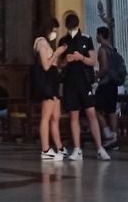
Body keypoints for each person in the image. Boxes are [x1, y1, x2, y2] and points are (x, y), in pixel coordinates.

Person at [61, 11, 110, 161]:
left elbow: (93, 61)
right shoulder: (63, 41)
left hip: (84, 80)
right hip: (70, 82)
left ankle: (100, 148)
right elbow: (59, 63)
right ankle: (77, 149)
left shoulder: (86, 39)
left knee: (91, 113)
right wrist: (66, 61)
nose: (71, 29)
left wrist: (80, 57)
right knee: (73, 116)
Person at [32, 18, 65, 161]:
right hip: (46, 81)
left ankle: (59, 147)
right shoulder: (41, 42)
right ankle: (45, 149)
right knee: (46, 116)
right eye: (54, 30)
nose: (55, 33)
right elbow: (45, 65)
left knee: (55, 116)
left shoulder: (47, 43)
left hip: (53, 80)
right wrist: (57, 53)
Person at [95, 26, 122, 148]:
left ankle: (107, 133)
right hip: (114, 83)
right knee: (111, 111)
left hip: (105, 83)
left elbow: (104, 68)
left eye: (97, 35)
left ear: (100, 35)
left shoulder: (102, 49)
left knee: (95, 108)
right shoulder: (113, 49)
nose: (96, 37)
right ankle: (115, 139)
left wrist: (96, 76)